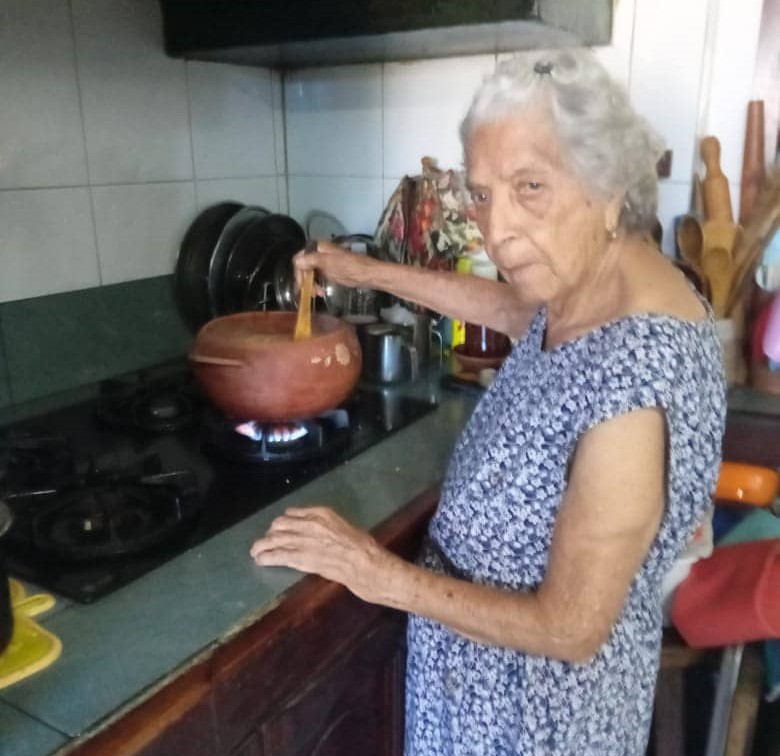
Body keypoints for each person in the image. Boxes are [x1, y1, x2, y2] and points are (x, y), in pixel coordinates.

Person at [250, 49, 726, 755]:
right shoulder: (596, 289)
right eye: (480, 194)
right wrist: (365, 272)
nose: (495, 231)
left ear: (610, 188)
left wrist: (372, 571)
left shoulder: (633, 386)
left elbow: (569, 628)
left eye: (530, 186)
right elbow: (506, 308)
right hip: (477, 681)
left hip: (530, 718)